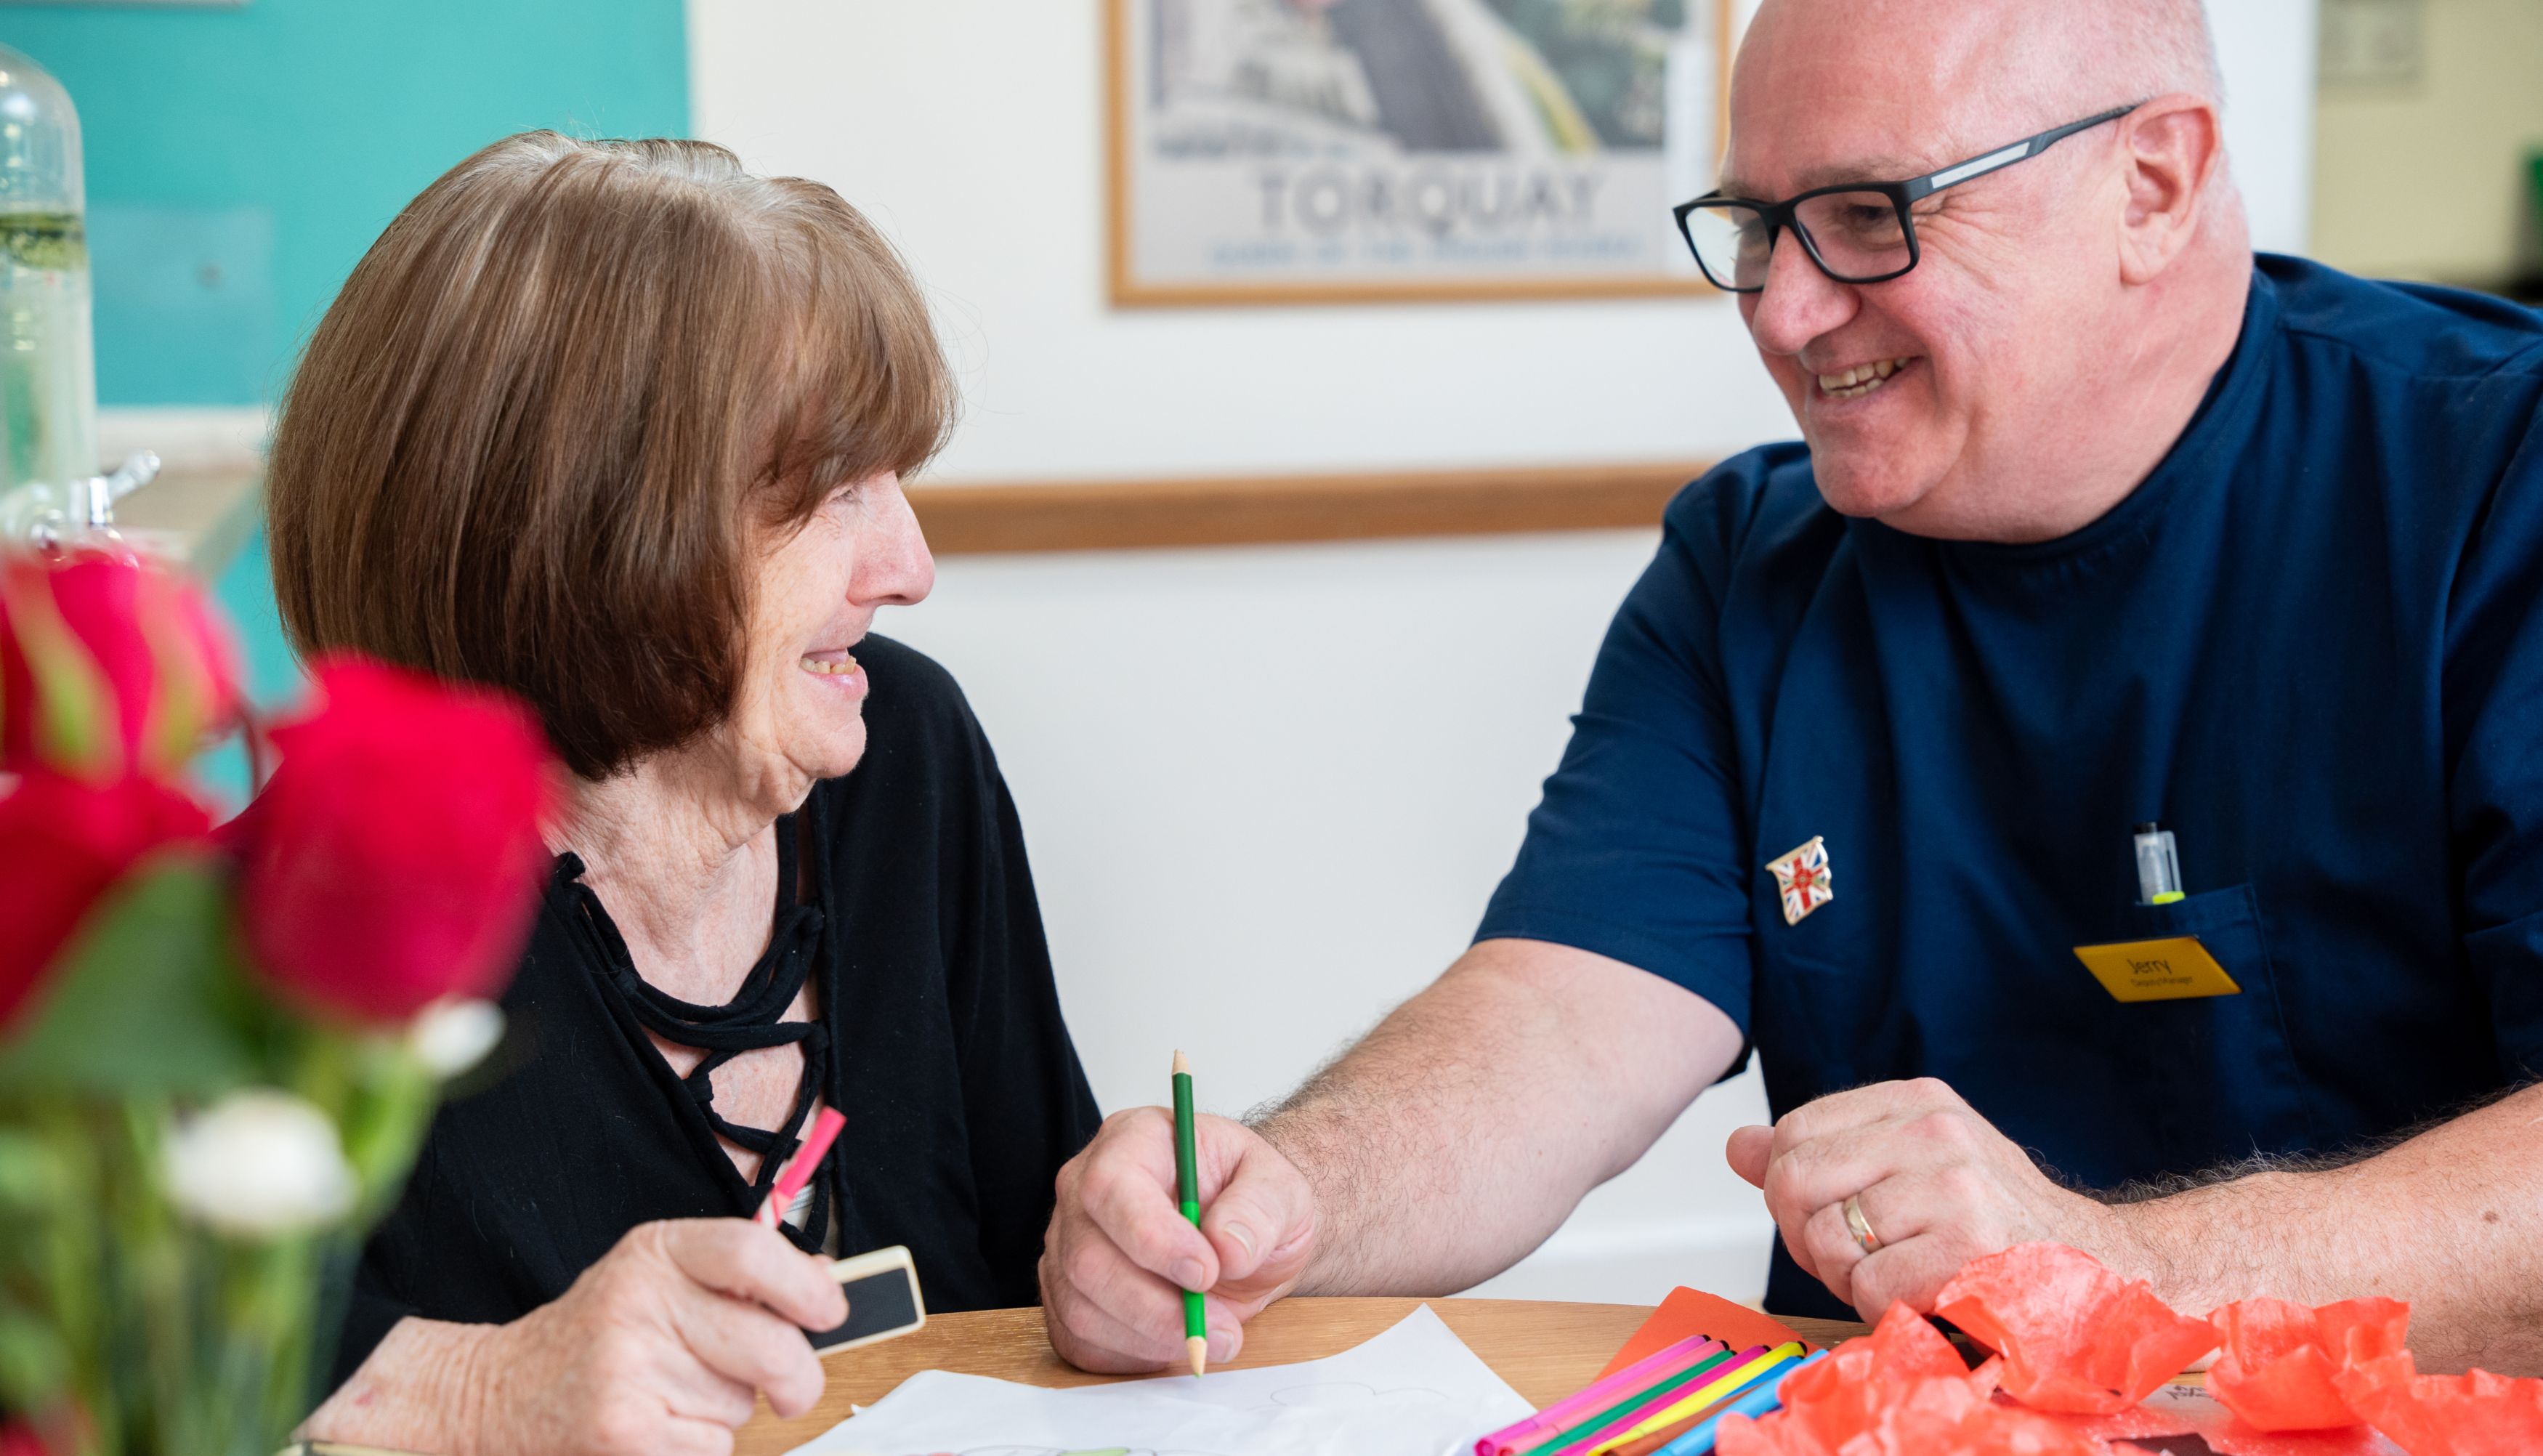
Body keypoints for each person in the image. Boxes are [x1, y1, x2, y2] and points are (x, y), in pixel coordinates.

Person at [1040, 0, 2543, 1380]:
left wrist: (2122, 1271)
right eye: (1757, 227)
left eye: (1866, 217)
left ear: (2147, 184)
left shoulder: (2492, 478)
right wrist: (1290, 1197)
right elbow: (1560, 1026)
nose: (1780, 312)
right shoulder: (1749, 560)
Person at [275, 133, 1101, 1454]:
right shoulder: (290, 924)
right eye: (838, 491)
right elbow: (146, 1378)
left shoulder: (908, 758)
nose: (910, 564)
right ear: (589, 522)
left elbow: (1039, 1255)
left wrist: (1114, 1245)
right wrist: (474, 1398)